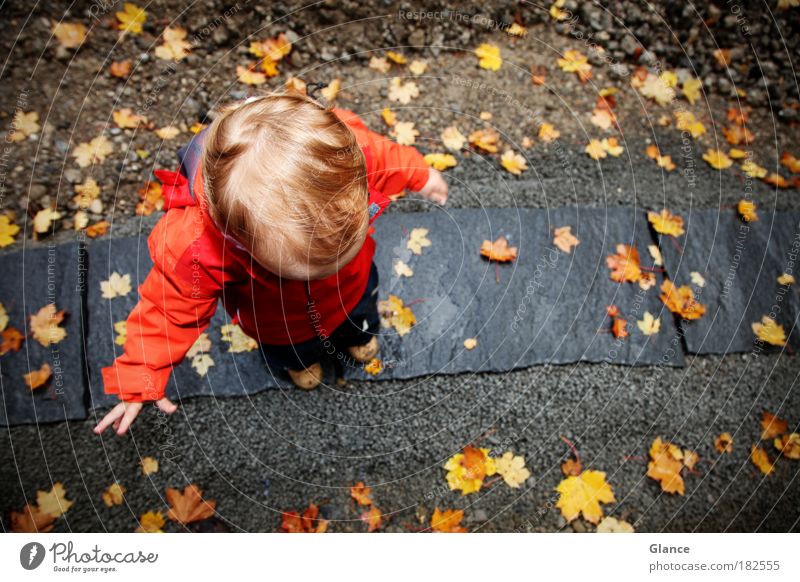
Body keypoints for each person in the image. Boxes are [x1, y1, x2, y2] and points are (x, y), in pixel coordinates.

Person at [94, 92, 449, 436]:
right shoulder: (198, 247)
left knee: (360, 316)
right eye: (300, 269)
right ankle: (300, 363)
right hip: (279, 326)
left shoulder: (346, 153)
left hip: (353, 288)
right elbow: (169, 310)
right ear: (239, 240)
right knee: (291, 351)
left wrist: (419, 173)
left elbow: (386, 157)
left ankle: (358, 335)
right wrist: (141, 372)